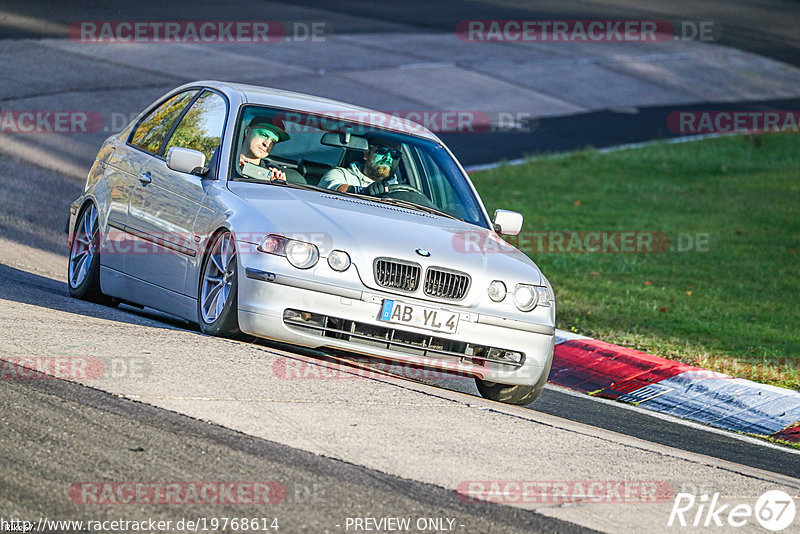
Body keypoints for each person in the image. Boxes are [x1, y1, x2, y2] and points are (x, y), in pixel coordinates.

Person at [318, 137, 402, 195]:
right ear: (367, 154)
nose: (388, 157)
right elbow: (333, 190)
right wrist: (364, 191)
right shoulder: (341, 175)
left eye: (395, 154)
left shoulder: (400, 190)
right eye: (382, 151)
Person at [238, 117, 290, 181]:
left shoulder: (272, 175)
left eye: (273, 142)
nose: (267, 144)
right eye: (264, 135)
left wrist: (276, 186)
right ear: (247, 131)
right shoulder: (224, 161)